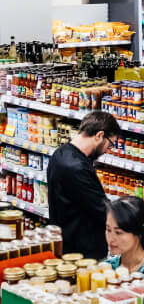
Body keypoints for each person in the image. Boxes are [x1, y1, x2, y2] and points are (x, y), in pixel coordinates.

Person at [47, 111, 121, 260]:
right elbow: (102, 209)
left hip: (66, 242)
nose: (107, 150)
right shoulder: (76, 168)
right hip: (81, 253)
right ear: (100, 135)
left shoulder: (60, 153)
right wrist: (139, 211)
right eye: (110, 144)